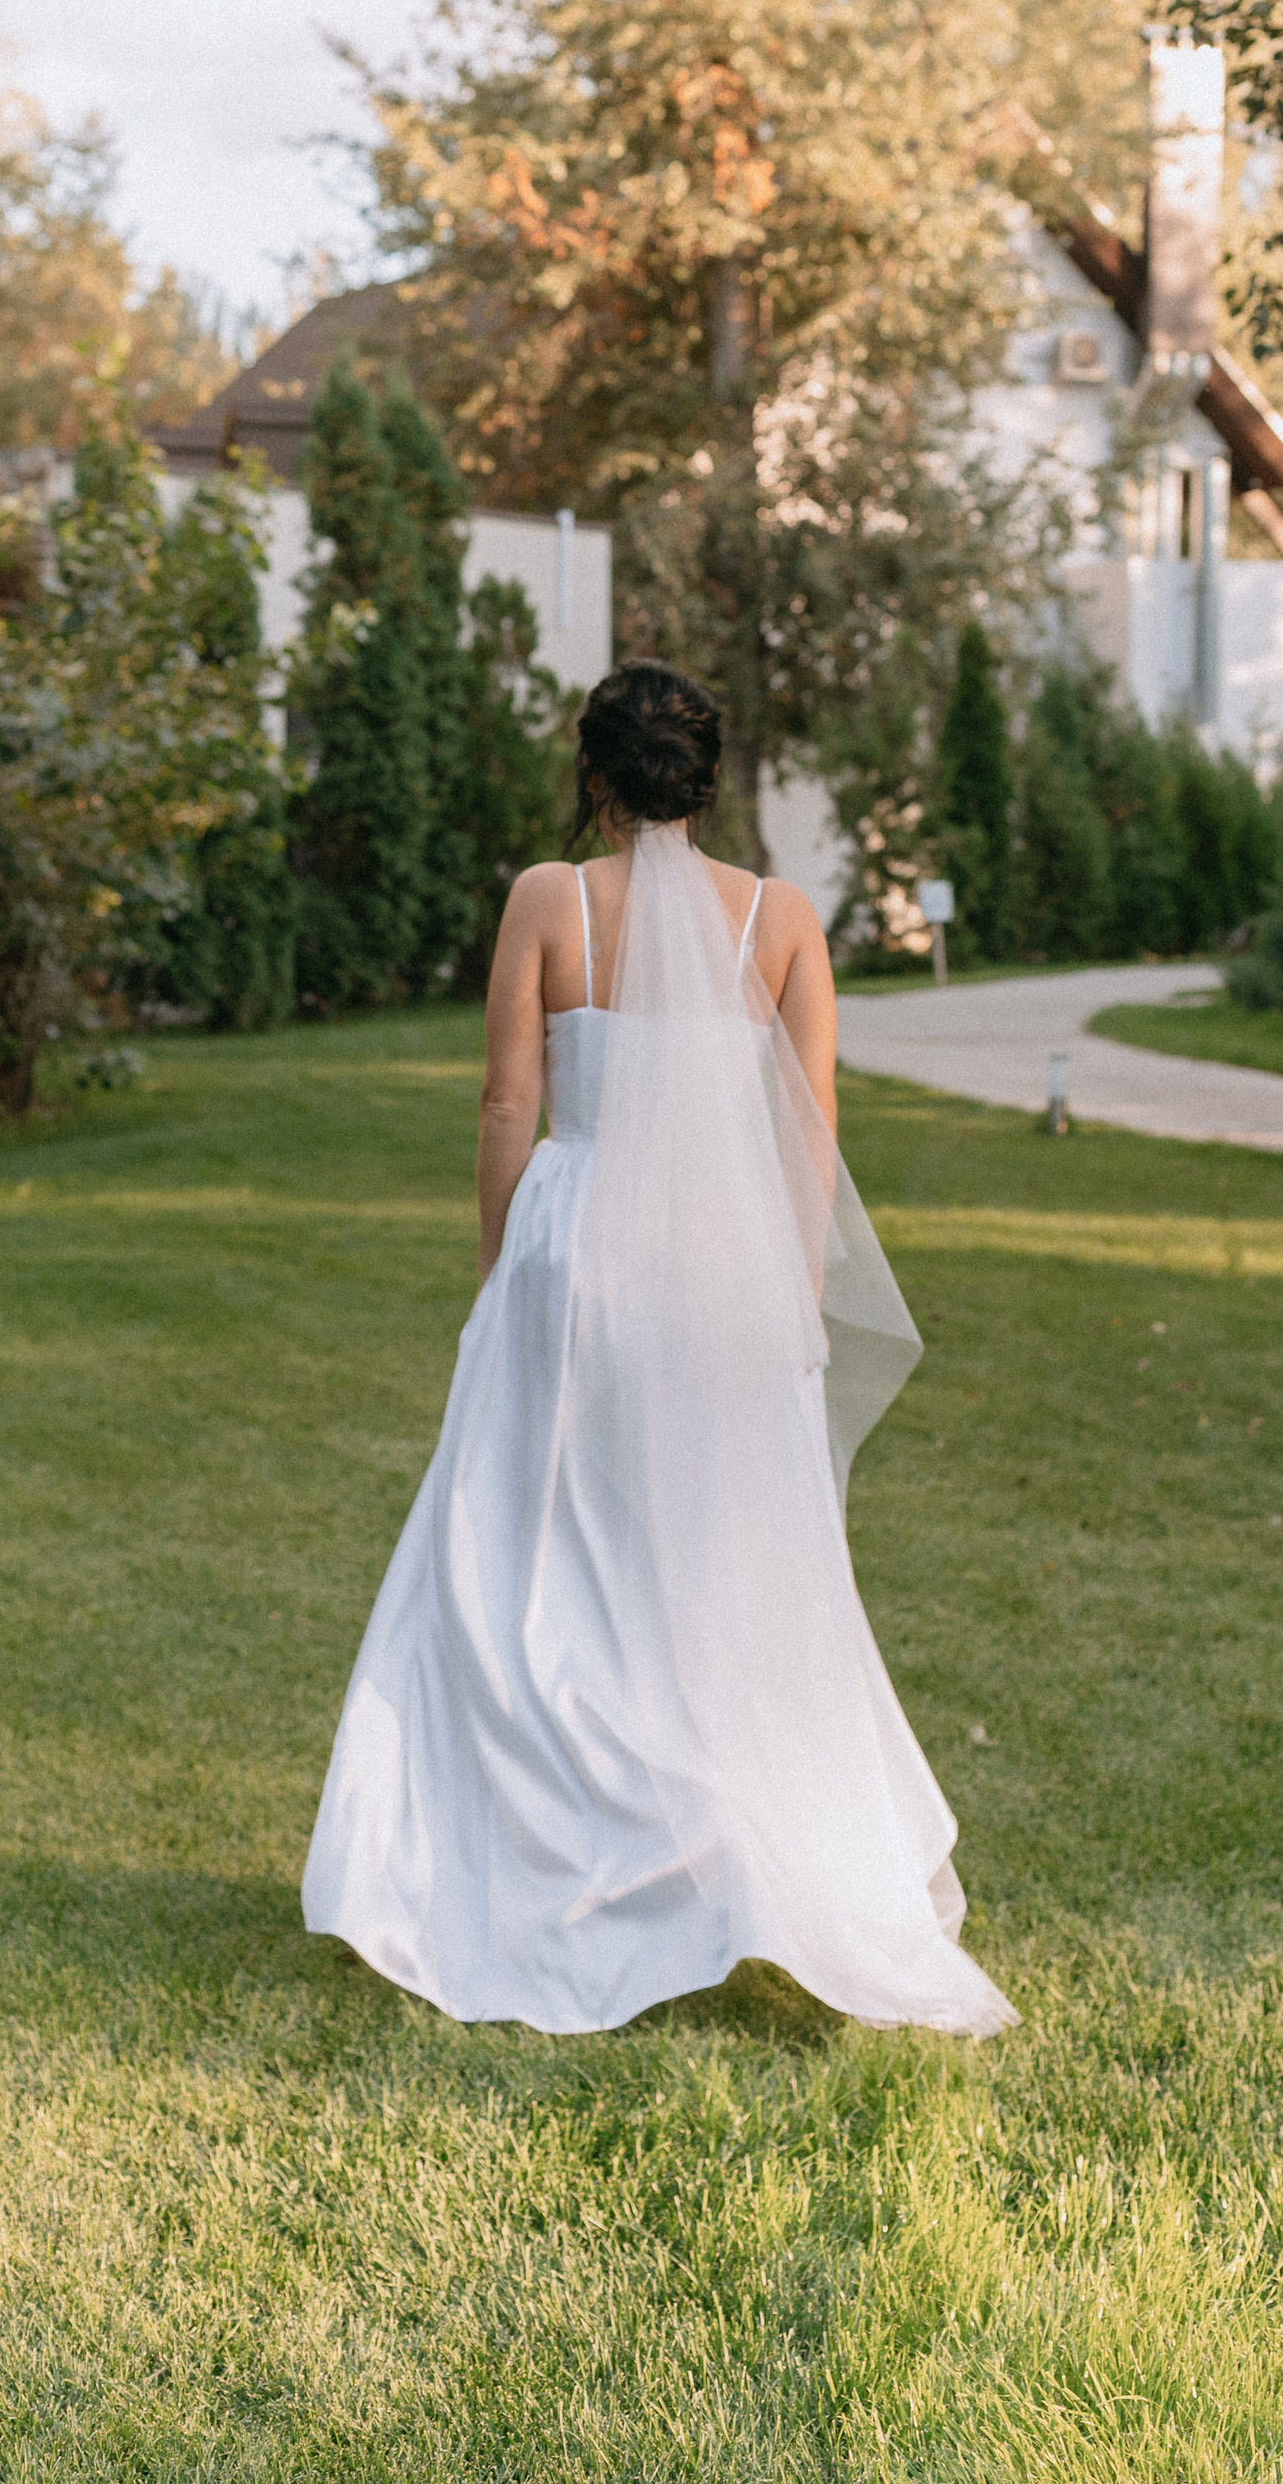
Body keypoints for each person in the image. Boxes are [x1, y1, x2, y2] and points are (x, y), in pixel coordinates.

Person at [302, 660, 1014, 2036]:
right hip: (724, 1262)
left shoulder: (548, 899)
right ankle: (717, 1852)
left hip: (575, 1258)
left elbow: (507, 1104)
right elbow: (811, 1120)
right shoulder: (783, 918)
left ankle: (538, 1865)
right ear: (709, 779)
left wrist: (500, 1272)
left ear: (594, 776)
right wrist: (788, 1293)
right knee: (714, 1562)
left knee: (531, 1559)